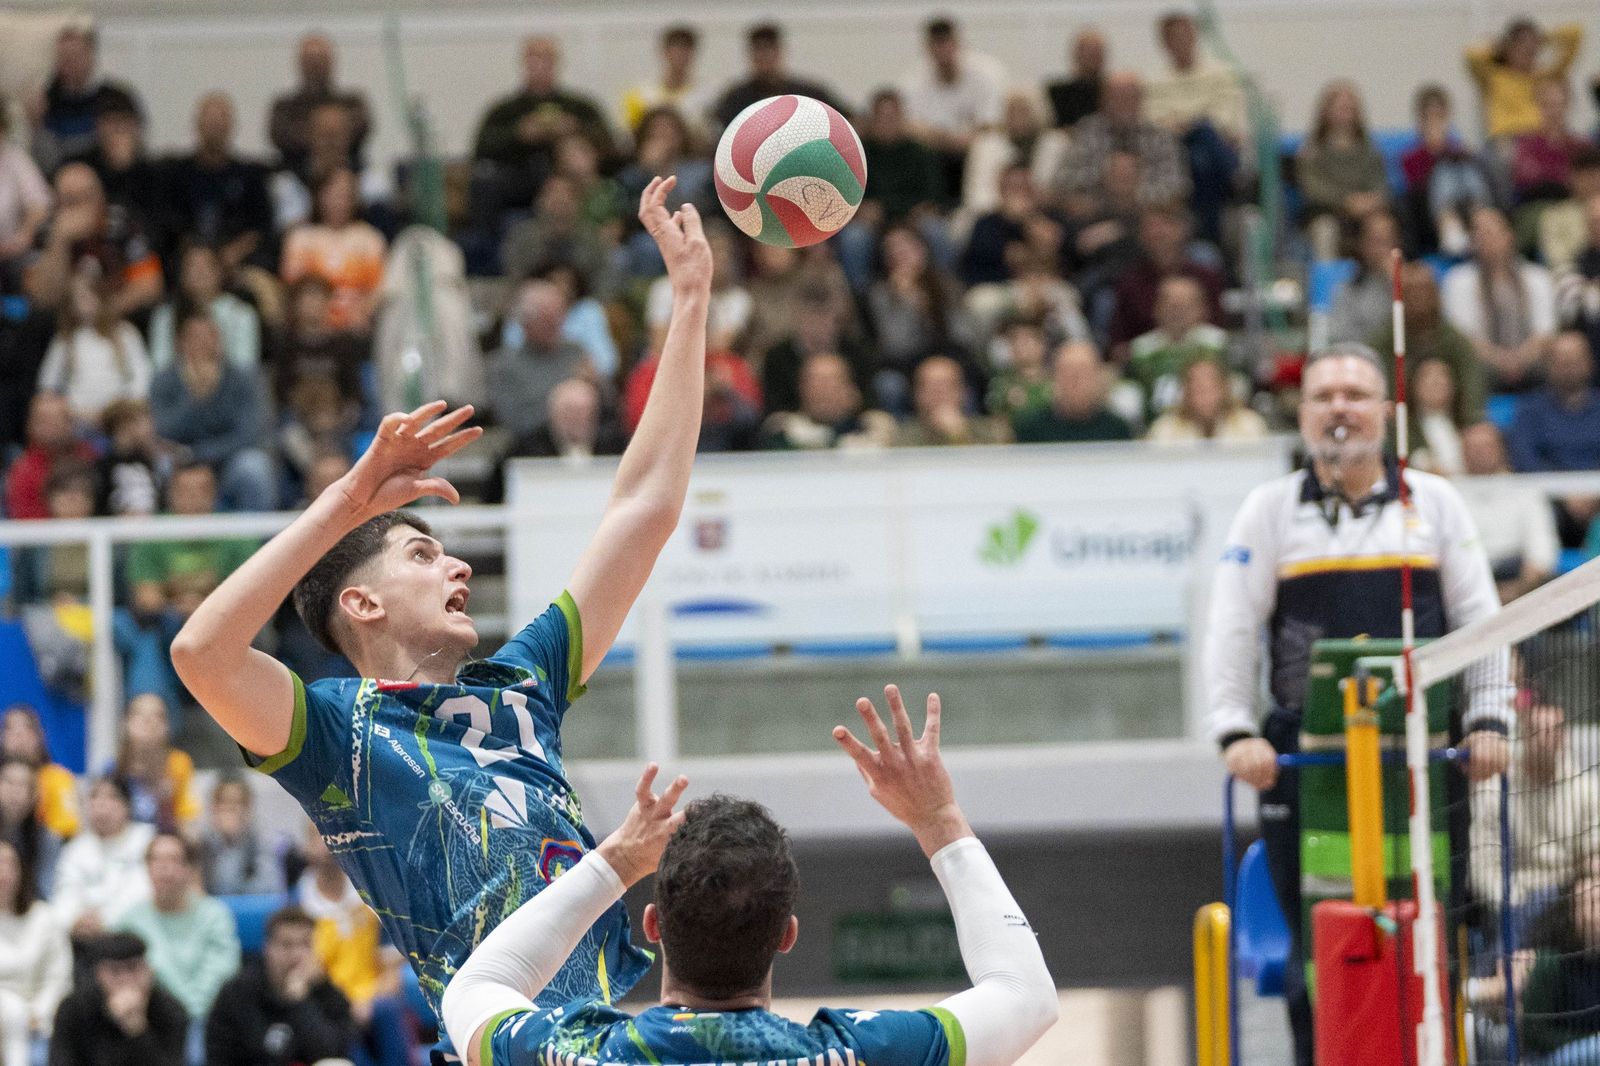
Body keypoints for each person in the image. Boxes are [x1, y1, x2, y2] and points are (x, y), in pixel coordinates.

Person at [169, 177, 711, 1043]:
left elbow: (644, 511)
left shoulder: (521, 684)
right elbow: (202, 653)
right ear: (360, 601)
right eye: (420, 555)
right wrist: (347, 502)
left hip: (599, 1037)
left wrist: (688, 305)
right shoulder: (336, 734)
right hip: (494, 1042)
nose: (456, 564)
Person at [440, 685, 1058, 1066]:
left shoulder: (581, 1054)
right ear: (786, 934)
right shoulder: (853, 1055)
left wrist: (616, 863)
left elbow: (475, 989)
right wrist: (938, 819)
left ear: (653, 925)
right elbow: (1026, 997)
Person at [1204, 343, 1510, 1066]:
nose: (1339, 409)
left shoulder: (1435, 500)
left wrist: (1490, 720)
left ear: (1387, 411)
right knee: (1316, 953)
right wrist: (1235, 732)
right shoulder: (1269, 509)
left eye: (1355, 394)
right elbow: (1231, 626)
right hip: (1303, 760)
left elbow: (1483, 619)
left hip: (1425, 756)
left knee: (1436, 943)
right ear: (1303, 414)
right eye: (1323, 396)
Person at [296, 828, 409, 1066]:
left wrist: (367, 1001)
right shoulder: (297, 905)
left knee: (388, 1009)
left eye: (330, 833)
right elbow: (302, 974)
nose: (326, 844)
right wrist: (343, 1005)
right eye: (316, 835)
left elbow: (391, 968)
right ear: (306, 846)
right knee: (336, 1024)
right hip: (327, 1002)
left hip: (374, 996)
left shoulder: (373, 894)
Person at [148, 309, 275, 512]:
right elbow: (162, 430)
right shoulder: (164, 380)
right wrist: (194, 398)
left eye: (208, 337)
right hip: (179, 462)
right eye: (194, 338)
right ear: (180, 343)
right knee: (156, 465)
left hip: (227, 462)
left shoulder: (243, 378)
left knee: (254, 467)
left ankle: (257, 532)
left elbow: (249, 434)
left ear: (219, 342)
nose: (202, 344)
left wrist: (199, 453)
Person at [472, 35, 616, 208]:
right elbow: (482, 148)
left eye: (546, 59)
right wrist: (519, 135)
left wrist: (574, 132)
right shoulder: (504, 111)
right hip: (519, 188)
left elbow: (609, 145)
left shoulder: (581, 108)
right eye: (534, 58)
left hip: (576, 188)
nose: (540, 66)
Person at [113, 833, 240, 1024]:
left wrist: (183, 1012)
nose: (164, 868)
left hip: (207, 1017)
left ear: (190, 869)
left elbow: (220, 976)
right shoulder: (129, 921)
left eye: (173, 859)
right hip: (150, 1021)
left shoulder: (215, 916)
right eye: (156, 860)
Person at [205, 906, 354, 1066]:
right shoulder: (237, 994)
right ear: (267, 949)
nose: (297, 955)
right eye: (287, 945)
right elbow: (219, 1056)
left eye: (306, 945)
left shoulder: (328, 993)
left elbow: (334, 1052)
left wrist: (299, 1003)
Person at [1143, 11, 1244, 243]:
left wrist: (1187, 121)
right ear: (1165, 43)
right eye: (1175, 37)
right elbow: (1153, 120)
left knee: (1203, 140)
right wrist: (1190, 121)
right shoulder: (1153, 81)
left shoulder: (1221, 74)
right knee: (1198, 156)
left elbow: (1225, 119)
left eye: (1186, 35)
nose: (1182, 42)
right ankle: (1229, 190)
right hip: (1173, 149)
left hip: (1211, 144)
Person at [25, 163, 163, 322]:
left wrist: (103, 315)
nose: (81, 208)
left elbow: (150, 286)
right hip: (61, 325)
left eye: (87, 196)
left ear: (101, 197)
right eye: (71, 200)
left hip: (116, 321)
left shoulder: (122, 222)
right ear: (56, 204)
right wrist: (59, 242)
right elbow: (41, 298)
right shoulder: (46, 231)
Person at [1441, 206, 1557, 393]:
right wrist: (1502, 361)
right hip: (1483, 366)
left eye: (1491, 232)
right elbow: (1464, 337)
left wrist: (1519, 359)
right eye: (1478, 234)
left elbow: (1546, 332)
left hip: (1532, 364)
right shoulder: (1458, 281)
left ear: (1509, 235)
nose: (1485, 239)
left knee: (1561, 354)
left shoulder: (1537, 277)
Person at [162, 93, 274, 275]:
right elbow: (171, 225)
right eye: (209, 121)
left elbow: (260, 227)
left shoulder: (250, 175)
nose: (215, 128)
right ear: (197, 124)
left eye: (220, 122)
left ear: (231, 126)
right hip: (187, 263)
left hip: (239, 262)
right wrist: (199, 257)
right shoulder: (176, 173)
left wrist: (231, 254)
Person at [900, 16, 1006, 204]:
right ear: (928, 48)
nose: (943, 51)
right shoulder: (913, 81)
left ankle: (981, 206)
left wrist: (962, 140)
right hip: (935, 152)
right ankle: (926, 204)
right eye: (937, 45)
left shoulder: (987, 73)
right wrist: (948, 140)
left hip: (974, 148)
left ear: (959, 44)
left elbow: (993, 123)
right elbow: (910, 125)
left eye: (947, 43)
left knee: (989, 147)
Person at [1456, 423, 1561, 604]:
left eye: (1486, 446)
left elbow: (1542, 551)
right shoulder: (1450, 492)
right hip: (1466, 580)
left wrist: (1519, 589)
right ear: (1462, 453)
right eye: (1472, 447)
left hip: (1519, 581)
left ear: (1502, 449)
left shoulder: (1526, 491)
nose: (1479, 453)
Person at [36, 260, 151, 426]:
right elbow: (47, 383)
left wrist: (124, 406)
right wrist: (66, 409)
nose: (84, 303)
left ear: (101, 296)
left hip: (118, 415)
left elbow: (142, 376)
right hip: (77, 417)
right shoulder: (65, 339)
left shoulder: (124, 333)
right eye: (78, 298)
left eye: (89, 296)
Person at [1052, 72, 1189, 211]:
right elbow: (1063, 180)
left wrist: (1130, 196)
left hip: (1146, 214)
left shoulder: (1160, 137)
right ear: (1103, 102)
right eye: (1117, 98)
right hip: (1093, 214)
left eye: (1129, 98)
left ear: (1141, 101)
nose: (1124, 105)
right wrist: (1104, 183)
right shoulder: (1087, 132)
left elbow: (1176, 187)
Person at [47, 932, 187, 1066]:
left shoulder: (170, 1010)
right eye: (115, 971)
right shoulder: (73, 1009)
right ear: (99, 974)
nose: (126, 979)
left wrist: (136, 1029)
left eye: (133, 968)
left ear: (148, 971)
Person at [485, 279, 595, 441]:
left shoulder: (576, 352)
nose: (555, 326)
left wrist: (596, 383)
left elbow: (610, 408)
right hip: (532, 447)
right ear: (525, 324)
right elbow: (512, 422)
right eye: (546, 321)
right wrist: (560, 406)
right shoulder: (503, 365)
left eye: (559, 318)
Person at [279, 167, 385, 334]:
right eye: (333, 193)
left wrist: (363, 311)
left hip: (355, 326)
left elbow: (378, 291)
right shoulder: (301, 238)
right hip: (310, 325)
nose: (340, 202)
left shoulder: (370, 239)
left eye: (346, 195)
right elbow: (293, 288)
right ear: (320, 195)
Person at [52, 776, 154, 942]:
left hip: (132, 934)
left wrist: (106, 921)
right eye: (94, 797)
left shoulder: (146, 840)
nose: (101, 805)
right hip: (81, 937)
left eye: (111, 797)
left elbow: (143, 892)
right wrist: (74, 920)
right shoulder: (75, 849)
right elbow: (64, 894)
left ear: (127, 805)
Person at [1296, 80, 1389, 258]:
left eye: (1349, 109)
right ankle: (1328, 272)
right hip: (1326, 212)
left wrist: (1369, 201)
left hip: (1365, 214)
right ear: (1326, 112)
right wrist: (1346, 201)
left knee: (1381, 226)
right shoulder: (1311, 152)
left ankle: (1383, 269)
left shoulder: (1370, 151)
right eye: (1340, 108)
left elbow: (1380, 185)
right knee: (1325, 229)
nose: (1345, 115)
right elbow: (1313, 189)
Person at [1400, 85, 1495, 256]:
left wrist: (1464, 154)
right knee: (1444, 169)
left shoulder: (1459, 149)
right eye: (1429, 116)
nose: (1435, 121)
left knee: (1467, 167)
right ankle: (1450, 227)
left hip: (1467, 204)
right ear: (1421, 119)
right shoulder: (1411, 156)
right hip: (1430, 214)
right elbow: (1416, 187)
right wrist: (1434, 152)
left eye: (1440, 115)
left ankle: (1482, 223)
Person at [33, 25, 143, 173]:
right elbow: (45, 159)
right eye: (64, 57)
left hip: (106, 172)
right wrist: (36, 123)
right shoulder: (46, 101)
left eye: (75, 56)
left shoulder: (115, 96)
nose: (69, 63)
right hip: (62, 175)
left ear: (91, 56)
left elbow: (134, 143)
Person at [1517, 868, 1600, 1062]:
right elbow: (1532, 1032)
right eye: (1586, 904)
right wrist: (1585, 1044)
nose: (1593, 914)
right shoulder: (1550, 963)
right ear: (1572, 912)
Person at [0, 838, 70, 1066]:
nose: (2, 873)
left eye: (8, 864)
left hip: (32, 1021)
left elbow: (58, 978)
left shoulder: (44, 918)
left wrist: (37, 1015)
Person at [1125, 274, 1229, 420]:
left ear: (1202, 308)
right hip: (1156, 423)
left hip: (1208, 422)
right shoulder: (1142, 349)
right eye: (1171, 306)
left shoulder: (1217, 344)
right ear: (1157, 308)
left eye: (1184, 306)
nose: (1177, 313)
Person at [710, 24, 850, 132]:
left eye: (768, 50)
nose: (764, 57)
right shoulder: (735, 98)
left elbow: (846, 120)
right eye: (759, 51)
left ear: (779, 52)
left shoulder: (809, 94)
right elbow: (718, 129)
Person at [147, 243, 262, 374]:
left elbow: (245, 368)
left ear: (220, 272)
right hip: (176, 385)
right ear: (181, 273)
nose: (199, 273)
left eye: (205, 266)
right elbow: (160, 368)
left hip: (229, 385)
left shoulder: (241, 313)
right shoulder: (165, 316)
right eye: (192, 266)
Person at [268, 32, 372, 176]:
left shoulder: (352, 102)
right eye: (310, 60)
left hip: (350, 174)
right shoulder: (284, 107)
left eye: (320, 59)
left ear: (331, 62)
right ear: (300, 63)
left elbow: (361, 128)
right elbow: (280, 135)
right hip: (294, 174)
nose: (315, 65)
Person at [1464, 19, 1583, 142]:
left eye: (1533, 49)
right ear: (1509, 48)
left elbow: (1575, 33)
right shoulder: (1494, 76)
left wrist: (1544, 38)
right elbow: (1471, 55)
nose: (1528, 52)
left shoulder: (1545, 76)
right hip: (1506, 138)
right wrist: (1500, 46)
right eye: (1522, 47)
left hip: (1539, 137)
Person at [761, 351, 896, 450]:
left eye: (831, 382)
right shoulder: (783, 433)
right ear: (801, 388)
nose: (823, 391)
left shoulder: (873, 429)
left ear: (850, 389)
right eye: (815, 382)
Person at [110, 695, 200, 834]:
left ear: (167, 726)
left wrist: (167, 803)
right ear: (125, 723)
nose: (149, 721)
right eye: (139, 714)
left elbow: (189, 824)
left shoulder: (179, 764)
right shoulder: (113, 769)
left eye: (158, 716)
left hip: (165, 841)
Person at [1011, 341, 1133, 443]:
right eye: (1068, 373)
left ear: (1097, 377)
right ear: (1055, 377)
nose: (1076, 381)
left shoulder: (1117, 430)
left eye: (1083, 373)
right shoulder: (1031, 430)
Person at [893, 354, 1010, 447]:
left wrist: (959, 435)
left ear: (963, 392)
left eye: (946, 386)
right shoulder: (901, 436)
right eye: (930, 387)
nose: (938, 394)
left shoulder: (993, 431)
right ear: (916, 394)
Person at [198, 773, 284, 897]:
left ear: (249, 808)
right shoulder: (201, 844)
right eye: (224, 802)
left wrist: (234, 841)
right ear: (213, 808)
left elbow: (269, 889)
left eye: (238, 803)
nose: (230, 809)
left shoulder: (264, 842)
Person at [1146, 356, 1267, 442]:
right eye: (1198, 389)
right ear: (1185, 393)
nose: (1205, 397)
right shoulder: (1165, 430)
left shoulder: (1250, 425)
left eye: (1211, 388)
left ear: (1225, 389)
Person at [0, 707, 79, 839]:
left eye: (27, 728)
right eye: (10, 729)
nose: (19, 736)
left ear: (40, 735)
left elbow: (66, 830)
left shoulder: (57, 778)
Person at [618, 25, 710, 138]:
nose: (680, 56)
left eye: (685, 50)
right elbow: (630, 137)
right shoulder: (639, 96)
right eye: (675, 49)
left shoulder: (707, 98)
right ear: (664, 52)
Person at [1328, 211, 1402, 346]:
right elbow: (1341, 339)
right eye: (1376, 242)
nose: (1382, 249)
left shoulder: (1416, 286)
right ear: (1362, 244)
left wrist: (1397, 283)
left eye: (1388, 241)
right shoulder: (1347, 290)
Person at [0, 758, 63, 899]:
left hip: (27, 907)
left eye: (22, 784)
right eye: (9, 782)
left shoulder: (47, 839)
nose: (15, 791)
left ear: (35, 794)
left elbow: (46, 892)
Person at [1045, 28, 1108, 129]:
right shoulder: (1057, 93)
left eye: (1096, 53)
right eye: (1088, 53)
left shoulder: (1112, 94)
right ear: (1076, 55)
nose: (1092, 57)